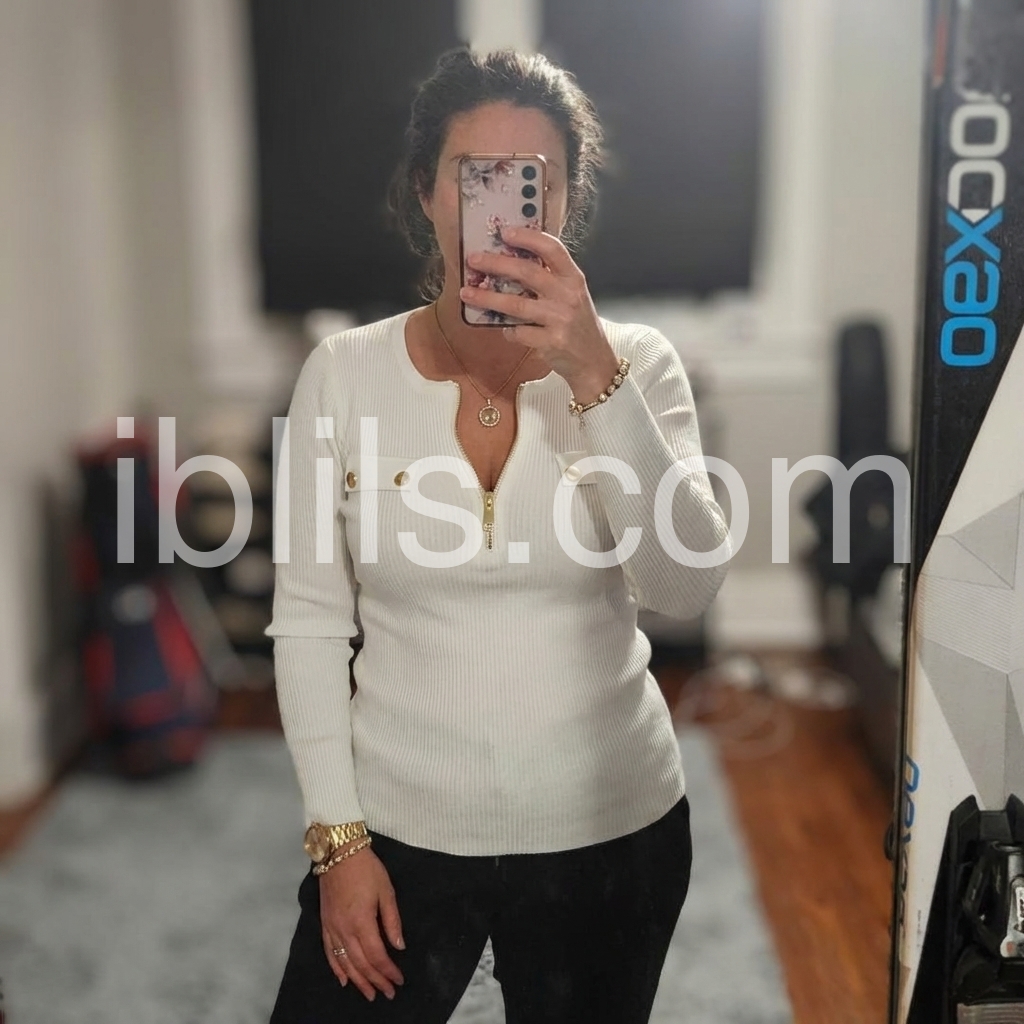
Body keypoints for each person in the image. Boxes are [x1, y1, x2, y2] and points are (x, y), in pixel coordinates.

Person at [267, 46, 733, 1024]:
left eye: (533, 181)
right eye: (474, 176)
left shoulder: (636, 365)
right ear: (426, 193)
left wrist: (593, 375)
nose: (503, 208)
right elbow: (308, 621)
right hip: (397, 827)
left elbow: (683, 587)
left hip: (609, 832)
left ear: (563, 201)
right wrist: (338, 841)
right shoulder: (343, 374)